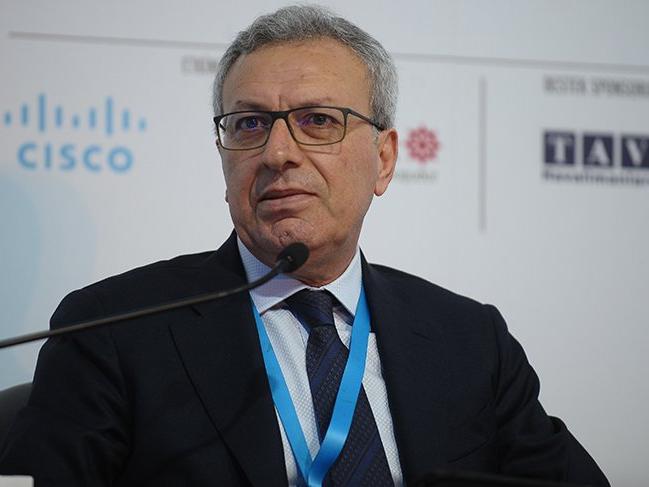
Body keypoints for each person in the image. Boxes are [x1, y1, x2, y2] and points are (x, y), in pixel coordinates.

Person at [0, 5, 609, 486]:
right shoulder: (113, 329)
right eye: (249, 124)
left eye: (318, 120)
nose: (277, 153)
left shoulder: (469, 341)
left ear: (384, 159)